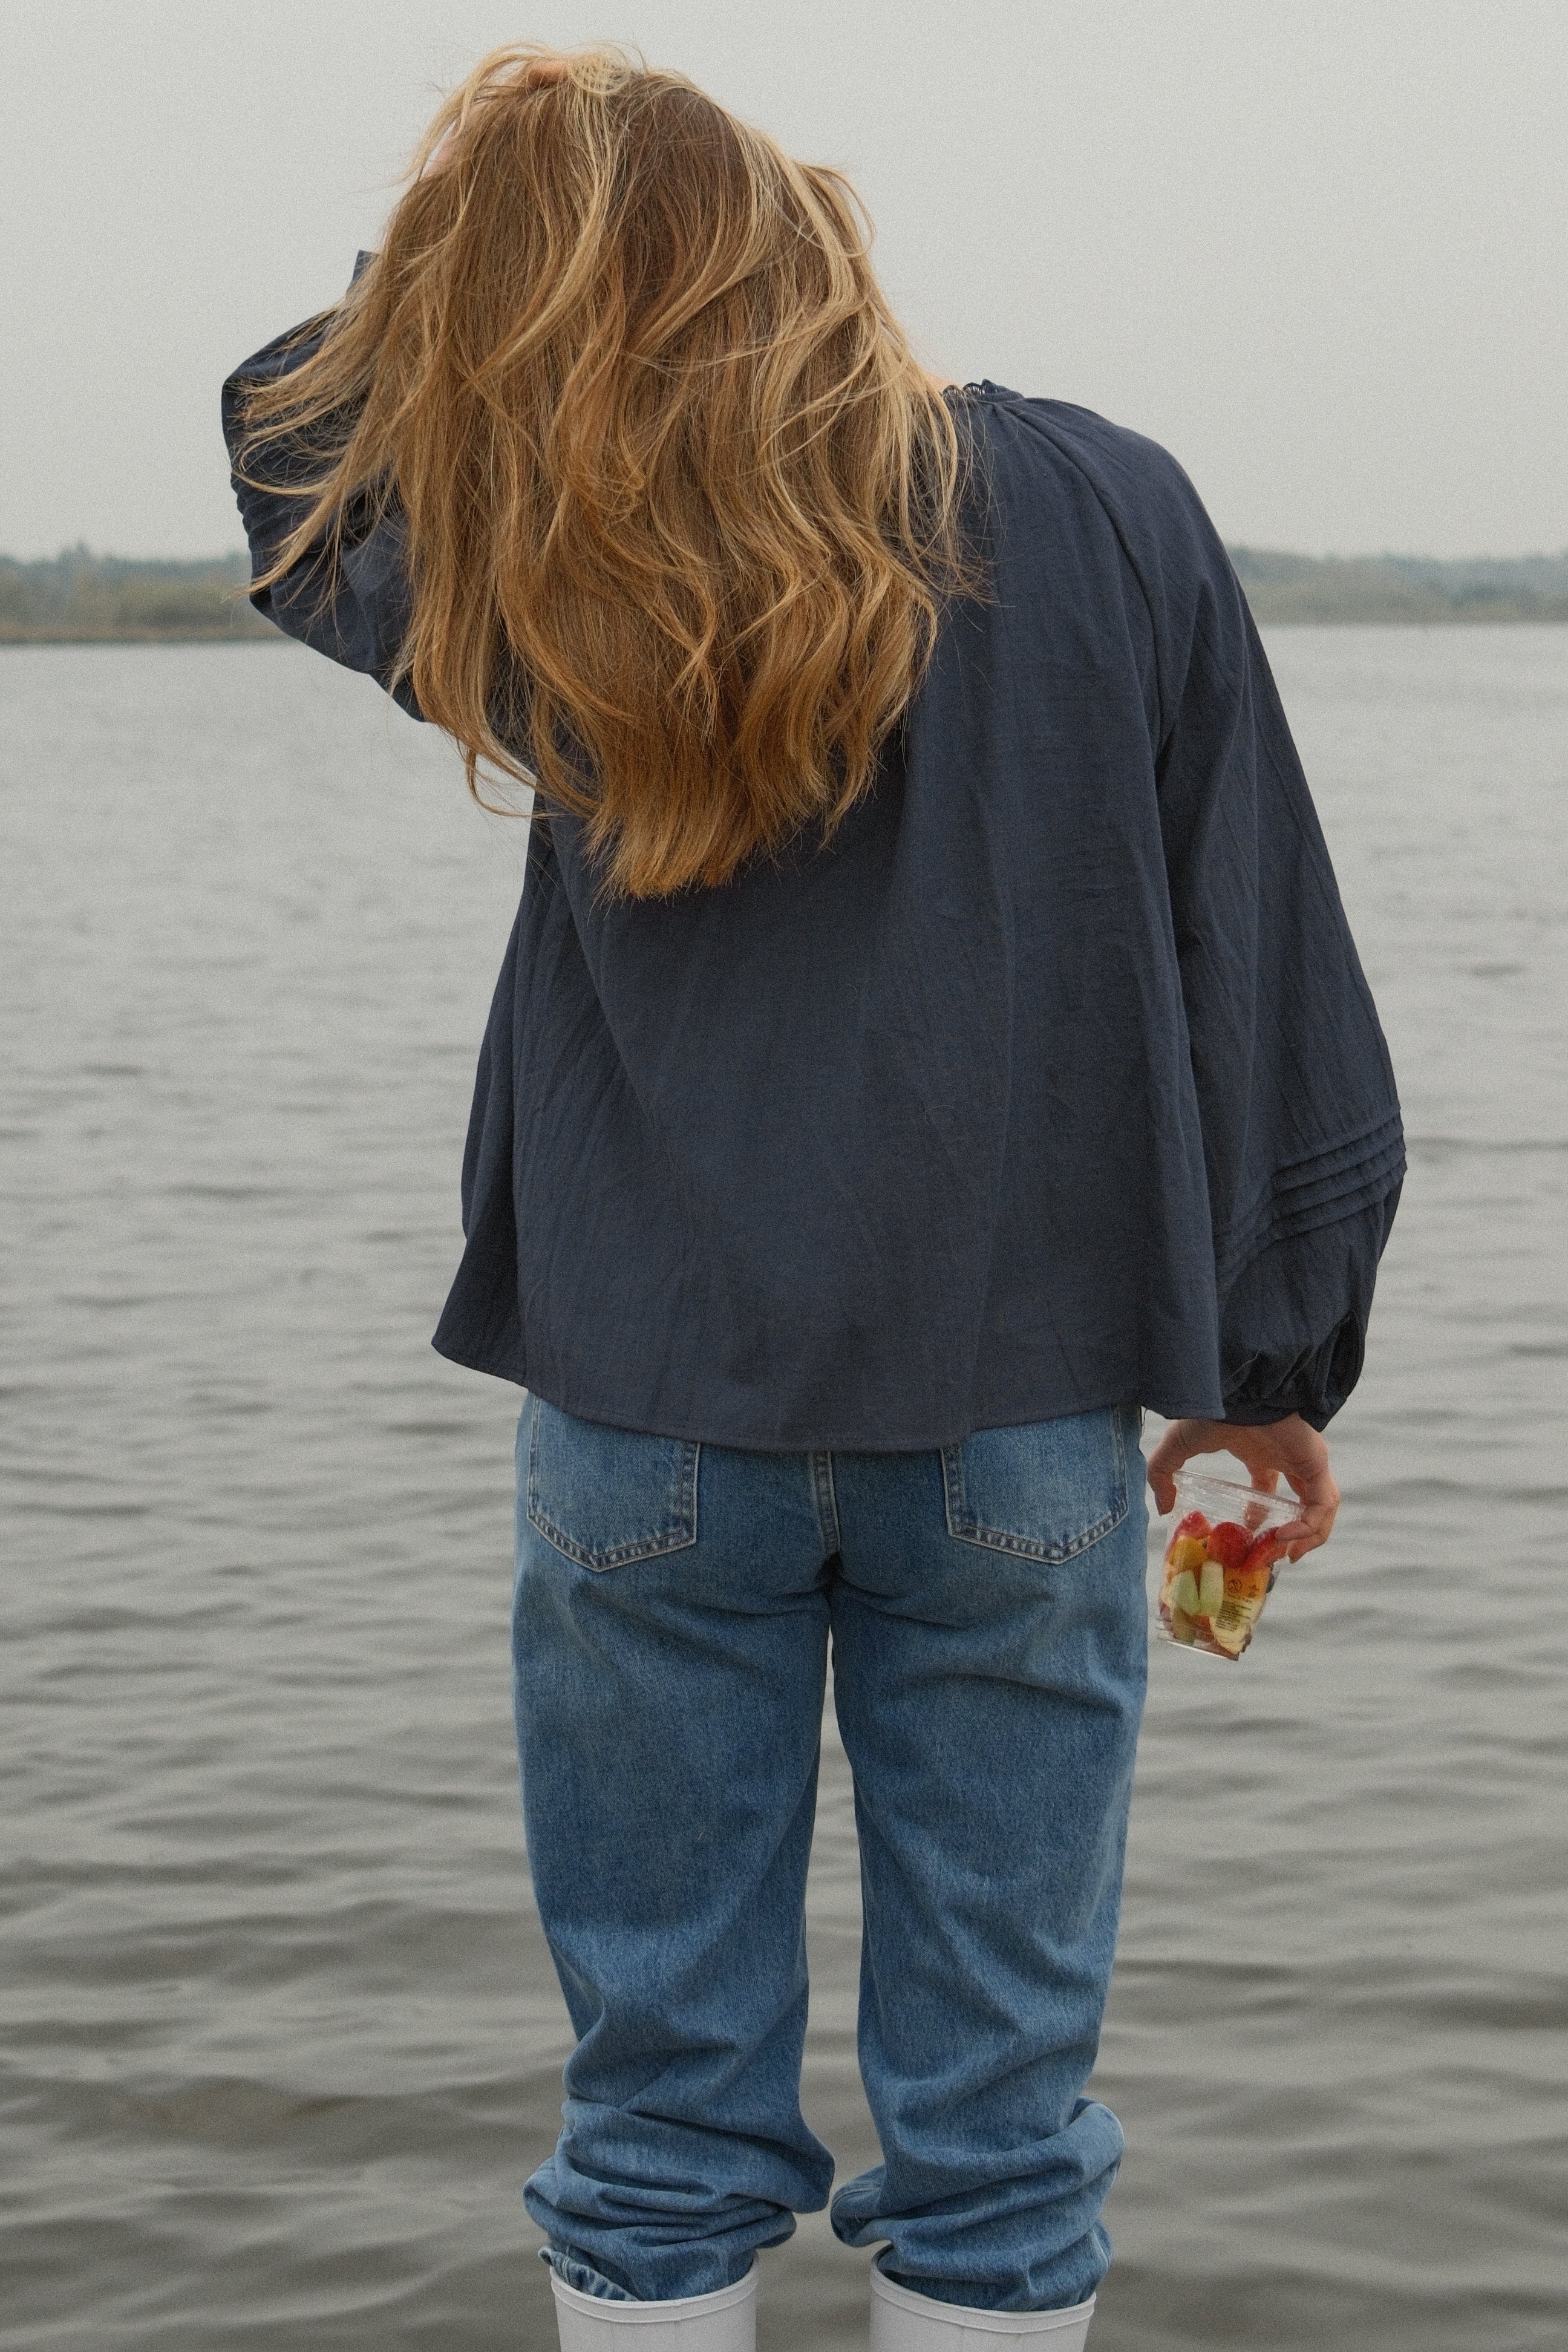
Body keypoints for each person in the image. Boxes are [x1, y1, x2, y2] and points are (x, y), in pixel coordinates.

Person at [221, 44, 1402, 2352]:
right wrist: (1268, 1379)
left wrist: (509, 233)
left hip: (652, 1426)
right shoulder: (1107, 504)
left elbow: (281, 429)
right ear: (816, 245)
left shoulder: (550, 542)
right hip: (1025, 1424)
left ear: (531, 310)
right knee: (1003, 2137)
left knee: (656, 2124)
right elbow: (1254, 964)